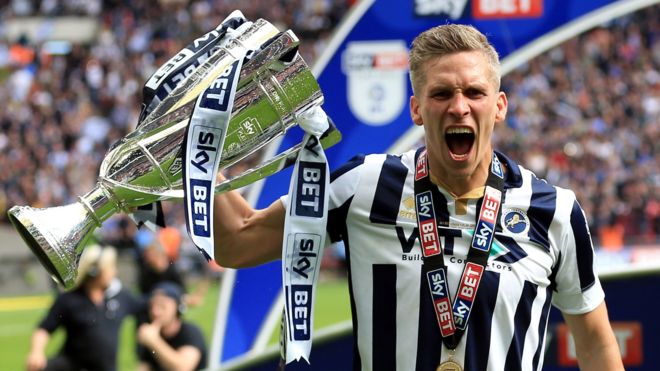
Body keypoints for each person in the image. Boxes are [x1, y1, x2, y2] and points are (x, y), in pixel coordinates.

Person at [212, 24, 624, 370]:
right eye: (442, 94)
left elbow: (594, 341)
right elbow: (239, 241)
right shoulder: (363, 185)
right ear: (416, 109)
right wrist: (202, 151)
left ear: (499, 107)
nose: (459, 107)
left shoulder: (554, 211)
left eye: (474, 93)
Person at [26, 245, 142, 371]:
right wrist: (36, 352)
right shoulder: (69, 300)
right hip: (73, 365)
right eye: (110, 267)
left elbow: (145, 309)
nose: (115, 272)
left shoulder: (121, 297)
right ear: (94, 271)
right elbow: (44, 329)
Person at [136, 281, 208, 371]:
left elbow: (182, 368)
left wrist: (154, 341)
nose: (155, 312)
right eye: (152, 306)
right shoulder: (153, 335)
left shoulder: (191, 332)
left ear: (177, 307)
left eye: (162, 306)